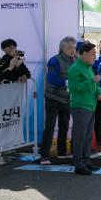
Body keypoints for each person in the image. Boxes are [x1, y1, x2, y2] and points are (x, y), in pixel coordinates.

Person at [68, 42, 101, 175]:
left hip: (90, 105)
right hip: (80, 106)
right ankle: (78, 164)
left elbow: (95, 83)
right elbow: (74, 88)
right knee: (79, 136)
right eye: (93, 54)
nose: (95, 56)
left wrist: (99, 91)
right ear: (83, 54)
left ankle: (86, 161)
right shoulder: (75, 68)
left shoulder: (89, 67)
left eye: (95, 54)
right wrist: (92, 81)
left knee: (88, 136)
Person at [40, 37, 76, 165]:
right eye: (69, 48)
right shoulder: (54, 60)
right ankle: (44, 155)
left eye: (73, 48)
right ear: (62, 48)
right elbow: (51, 78)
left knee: (64, 126)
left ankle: (61, 152)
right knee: (49, 127)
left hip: (66, 99)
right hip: (53, 98)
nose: (72, 50)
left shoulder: (74, 61)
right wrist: (68, 82)